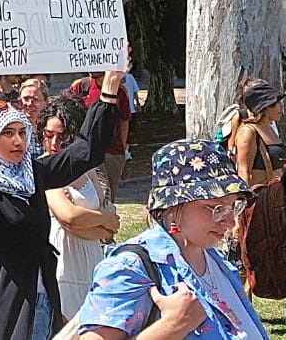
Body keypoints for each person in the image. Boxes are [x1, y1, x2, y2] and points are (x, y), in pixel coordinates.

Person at [0, 65, 123, 340]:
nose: (18, 140)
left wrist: (109, 89)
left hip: (43, 294)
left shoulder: (33, 174)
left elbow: (86, 152)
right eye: (7, 133)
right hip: (9, 299)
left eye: (22, 132)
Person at [71, 139, 269, 340]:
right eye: (216, 207)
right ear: (173, 207)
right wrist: (172, 326)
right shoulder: (130, 268)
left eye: (233, 205)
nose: (230, 222)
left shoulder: (217, 261)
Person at [40, 94, 117, 315]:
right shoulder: (45, 170)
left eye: (63, 137)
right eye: (48, 135)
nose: (54, 144)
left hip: (92, 257)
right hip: (64, 259)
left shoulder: (88, 170)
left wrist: (101, 222)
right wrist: (104, 220)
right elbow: (69, 217)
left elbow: (104, 212)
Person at [69, 73, 132, 203]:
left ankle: (107, 220)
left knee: (110, 196)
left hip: (113, 151)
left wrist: (122, 147)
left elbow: (124, 120)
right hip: (88, 150)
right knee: (103, 192)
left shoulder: (120, 92)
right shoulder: (80, 86)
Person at [227, 78, 286, 187]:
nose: (281, 107)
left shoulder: (270, 128)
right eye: (276, 103)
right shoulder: (248, 132)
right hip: (262, 197)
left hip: (280, 195)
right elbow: (244, 171)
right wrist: (246, 199)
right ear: (264, 107)